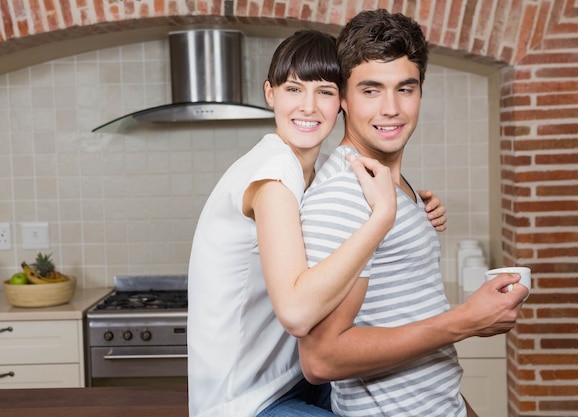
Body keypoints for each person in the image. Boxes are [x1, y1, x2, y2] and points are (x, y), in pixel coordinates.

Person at [187, 30, 446, 417]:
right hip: (244, 402)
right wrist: (382, 219)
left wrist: (416, 205)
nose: (308, 107)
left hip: (295, 382)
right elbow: (295, 313)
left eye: (324, 91)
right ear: (270, 94)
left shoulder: (316, 169)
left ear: (340, 102)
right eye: (293, 89)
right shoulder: (274, 176)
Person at [297, 9, 528, 417]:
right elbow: (322, 359)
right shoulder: (345, 195)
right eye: (371, 90)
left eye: (405, 88)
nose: (391, 109)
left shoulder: (392, 185)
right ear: (343, 98)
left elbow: (418, 342)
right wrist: (466, 321)